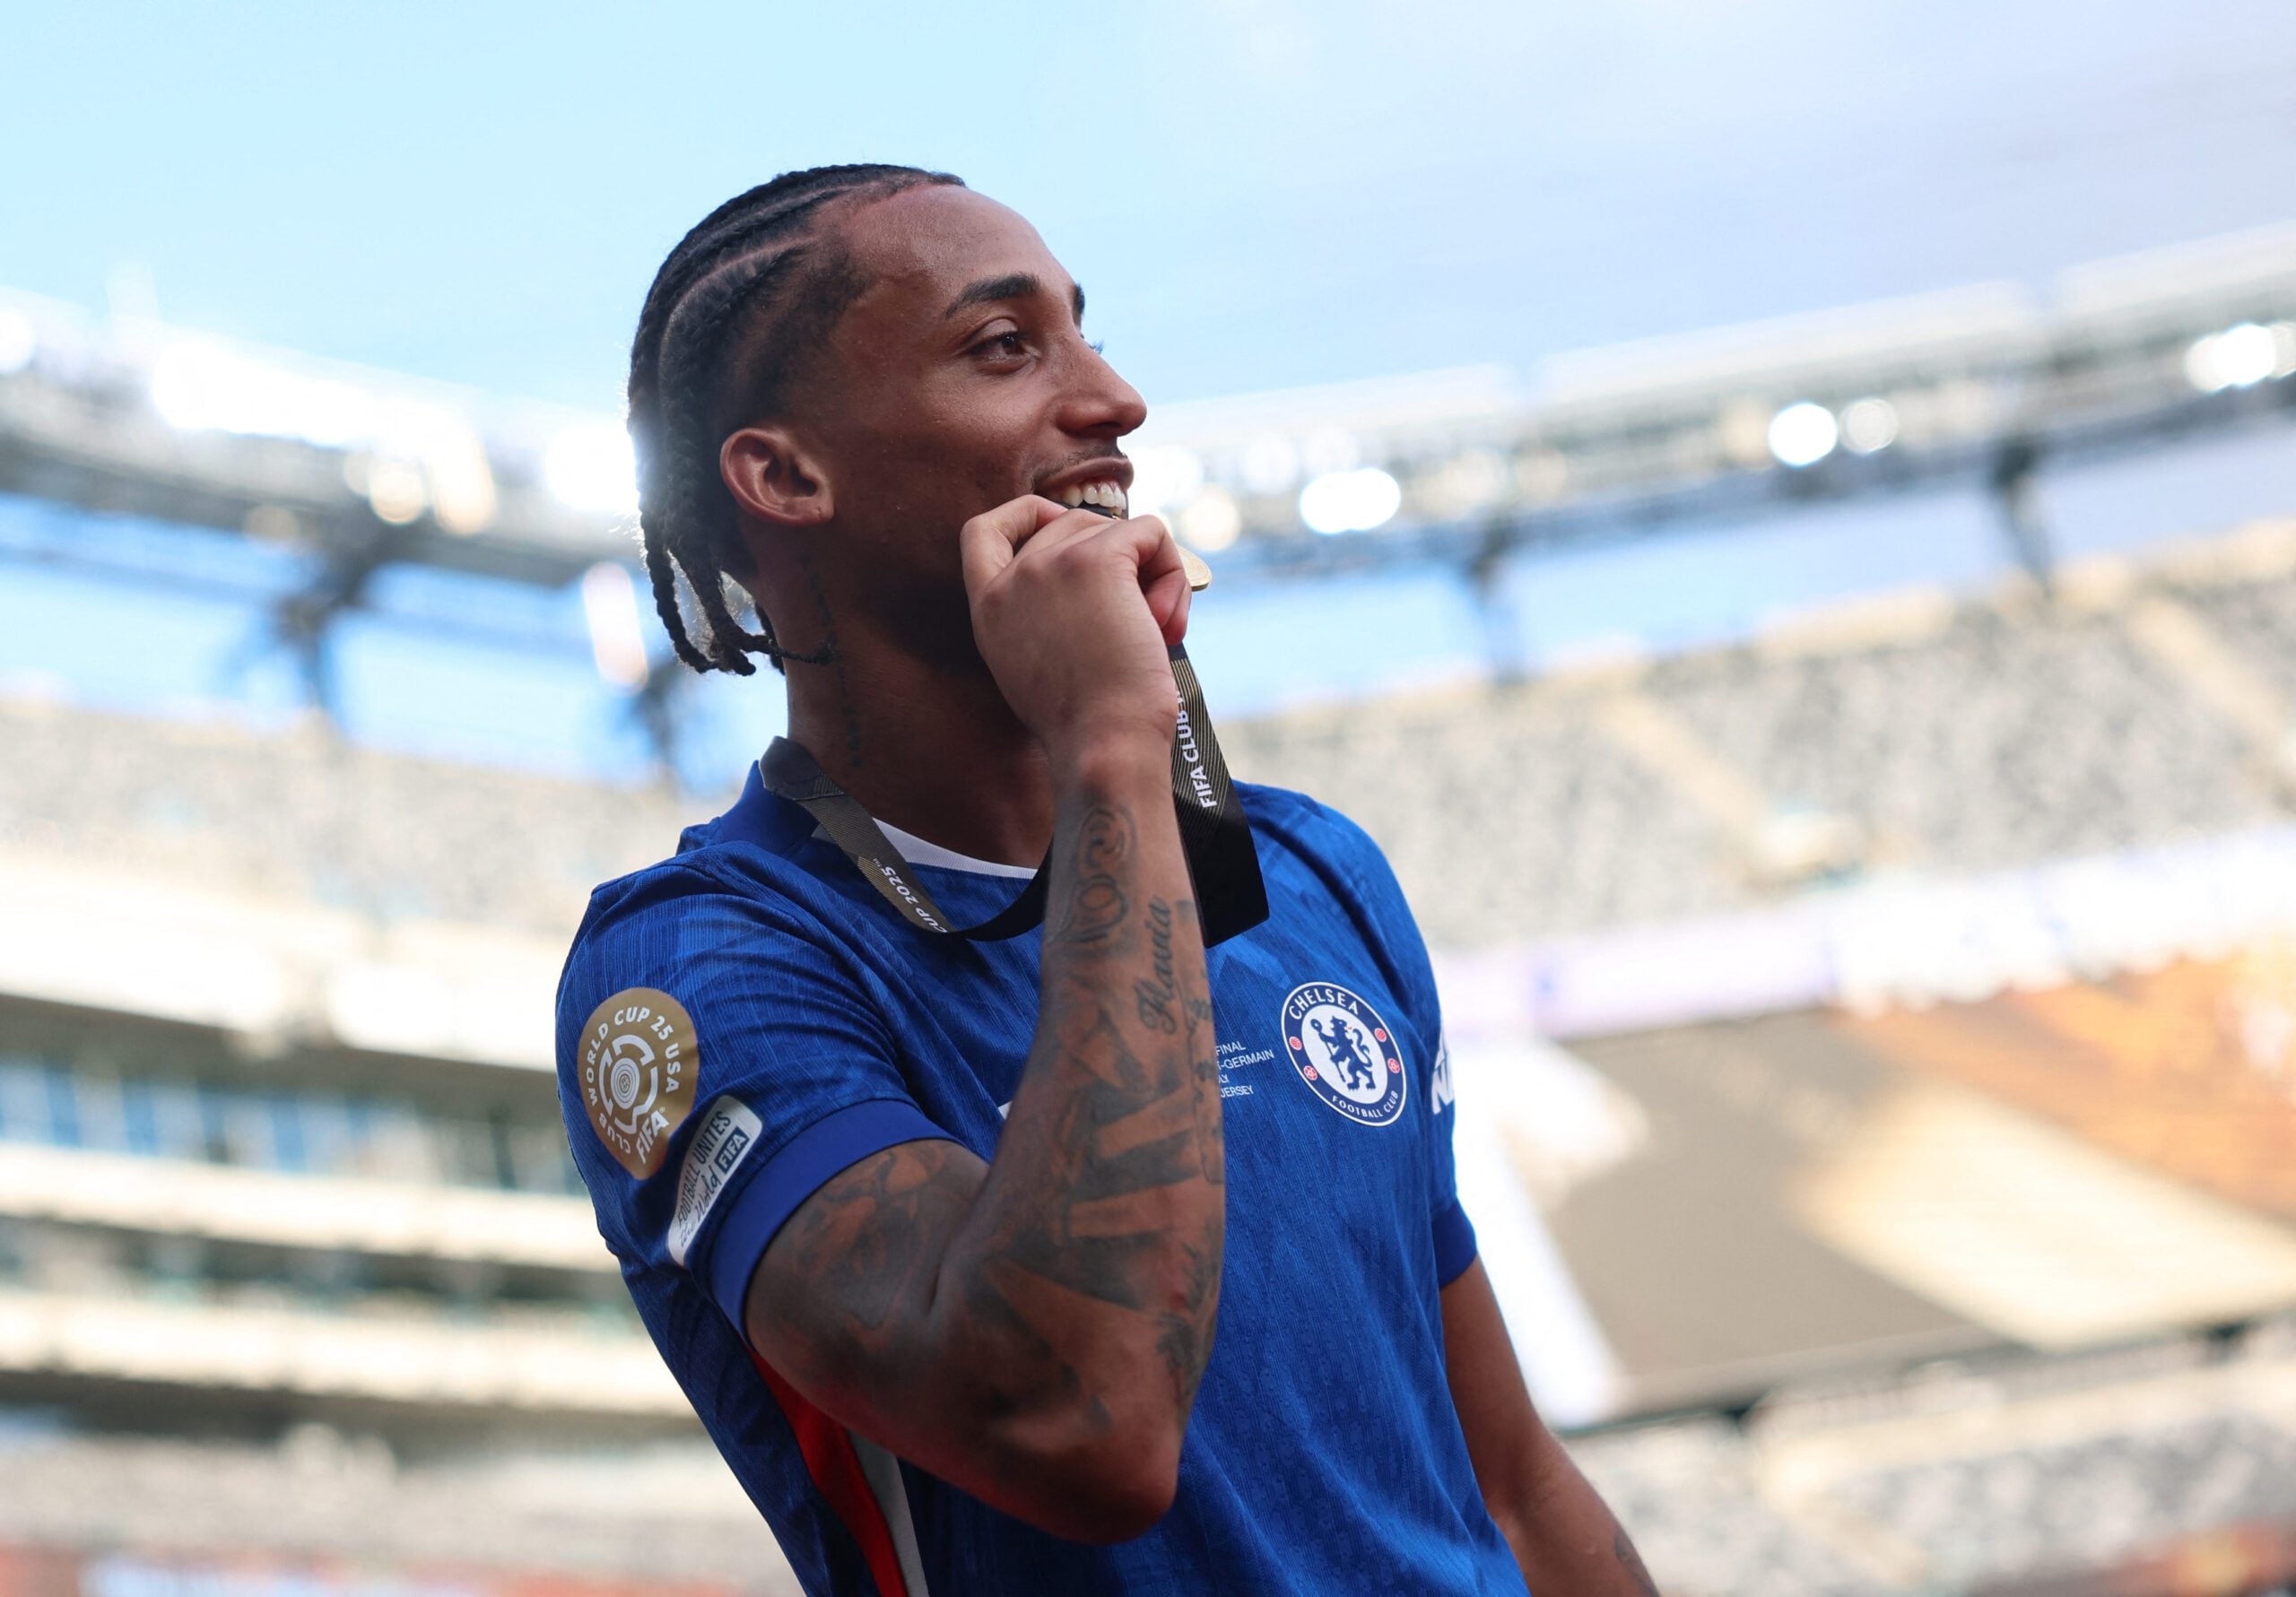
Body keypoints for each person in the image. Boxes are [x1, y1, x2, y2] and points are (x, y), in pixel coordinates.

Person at [556, 162, 1655, 1596]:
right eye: (1006, 348)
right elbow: (1080, 1421)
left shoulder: (1313, 870)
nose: (1115, 399)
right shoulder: (703, 964)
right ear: (784, 476)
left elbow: (1508, 1481)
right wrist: (1115, 744)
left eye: (1085, 331)